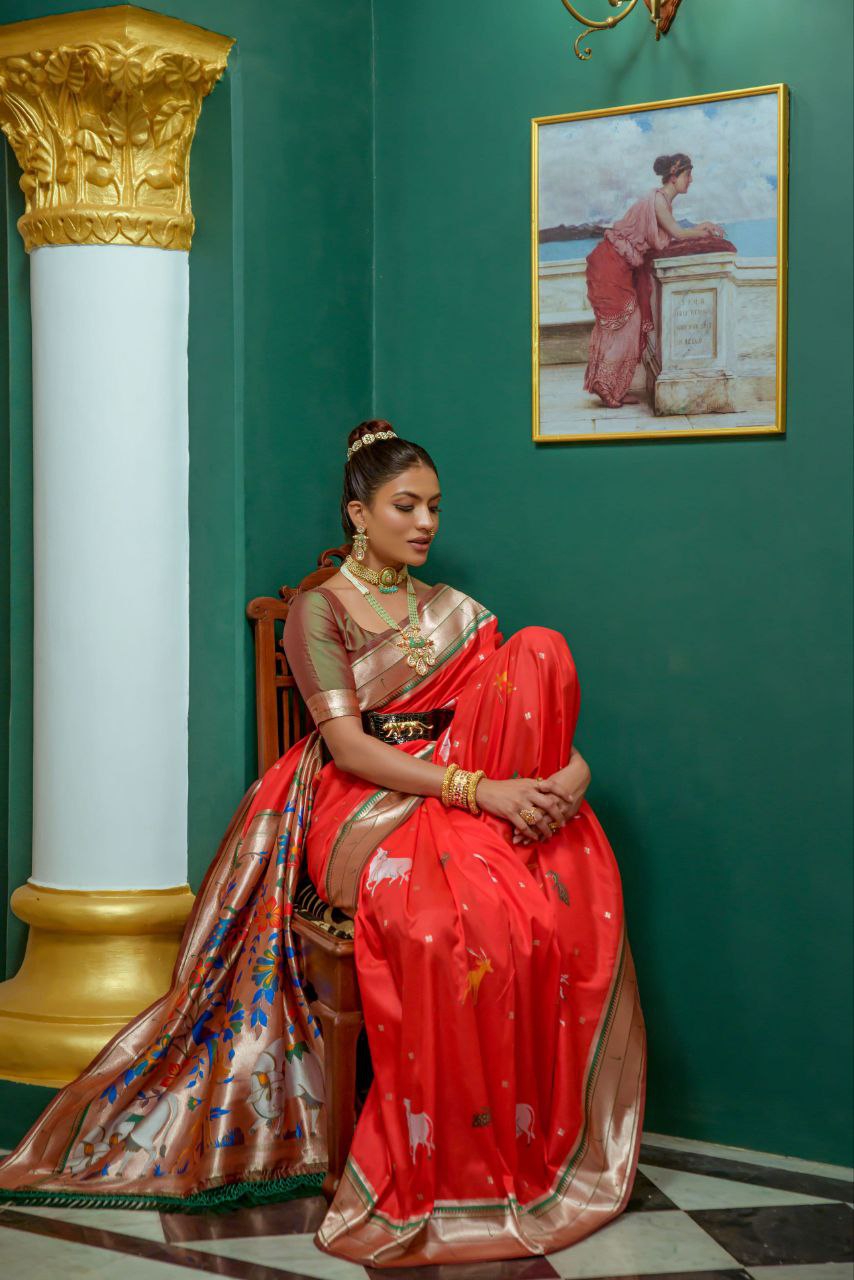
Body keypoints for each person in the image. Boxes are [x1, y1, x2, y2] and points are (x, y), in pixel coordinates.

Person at [0, 420, 646, 1268]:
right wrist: (475, 789)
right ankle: (437, 1157)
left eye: (435, 508)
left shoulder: (452, 611)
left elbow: (527, 719)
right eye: (405, 506)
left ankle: (525, 1146)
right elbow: (348, 749)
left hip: (461, 787)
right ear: (358, 512)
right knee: (437, 921)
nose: (426, 524)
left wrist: (570, 779)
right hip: (363, 795)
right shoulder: (321, 609)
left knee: (541, 855)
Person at [584, 152, 726, 408]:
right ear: (674, 176)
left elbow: (672, 231)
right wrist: (703, 228)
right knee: (623, 324)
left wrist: (700, 226)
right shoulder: (659, 201)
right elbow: (678, 233)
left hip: (622, 265)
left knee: (629, 324)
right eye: (687, 175)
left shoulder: (662, 202)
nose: (691, 180)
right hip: (612, 263)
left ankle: (613, 389)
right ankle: (605, 386)